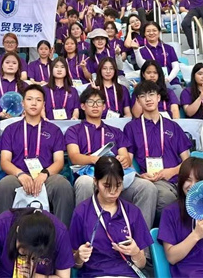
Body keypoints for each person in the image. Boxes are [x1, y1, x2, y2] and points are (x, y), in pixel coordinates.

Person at [65, 87, 158, 228]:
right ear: (83, 106)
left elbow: (126, 158)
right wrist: (95, 159)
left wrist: (123, 160)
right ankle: (87, 236)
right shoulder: (74, 130)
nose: (95, 106)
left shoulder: (115, 132)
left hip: (117, 178)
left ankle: (139, 239)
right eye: (90, 102)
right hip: (91, 176)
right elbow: (74, 157)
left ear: (104, 106)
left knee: (147, 187)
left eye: (99, 102)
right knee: (84, 183)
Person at [0, 84, 75, 227]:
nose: (33, 103)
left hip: (47, 176)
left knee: (62, 185)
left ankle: (62, 234)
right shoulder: (10, 130)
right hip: (18, 176)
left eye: (38, 100)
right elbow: (5, 161)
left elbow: (59, 161)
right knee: (5, 185)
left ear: (44, 104)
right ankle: (1, 234)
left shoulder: (54, 130)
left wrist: (45, 174)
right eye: (29, 99)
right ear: (22, 103)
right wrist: (20, 174)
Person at [70, 156, 152, 277]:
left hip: (127, 274)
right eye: (107, 186)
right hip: (96, 274)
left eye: (118, 185)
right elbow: (75, 264)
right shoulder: (82, 212)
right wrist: (79, 256)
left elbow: (141, 264)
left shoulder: (133, 212)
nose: (113, 192)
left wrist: (135, 253)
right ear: (95, 181)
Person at [125, 80, 191, 220]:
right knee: (167, 199)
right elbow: (128, 161)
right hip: (153, 181)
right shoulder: (131, 128)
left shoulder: (173, 126)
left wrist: (172, 171)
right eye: (143, 96)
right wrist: (139, 176)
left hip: (179, 179)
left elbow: (188, 161)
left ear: (158, 97)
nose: (148, 99)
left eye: (151, 94)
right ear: (138, 101)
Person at [0, 207, 74, 278]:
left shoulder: (60, 234)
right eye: (24, 252)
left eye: (34, 256)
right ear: (17, 230)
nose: (27, 257)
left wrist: (36, 276)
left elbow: (63, 276)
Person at [134, 22, 182, 96]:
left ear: (159, 32)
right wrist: (136, 50)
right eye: (148, 31)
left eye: (154, 30)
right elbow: (142, 65)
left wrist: (168, 79)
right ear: (144, 34)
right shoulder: (141, 50)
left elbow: (176, 66)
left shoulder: (169, 48)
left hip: (171, 81)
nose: (151, 33)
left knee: (178, 91)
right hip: (151, 83)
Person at [0, 52, 26, 128]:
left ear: (18, 67)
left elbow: (27, 104)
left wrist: (19, 115)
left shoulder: (24, 85)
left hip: (18, 119)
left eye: (14, 63)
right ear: (2, 66)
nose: (10, 65)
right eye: (7, 62)